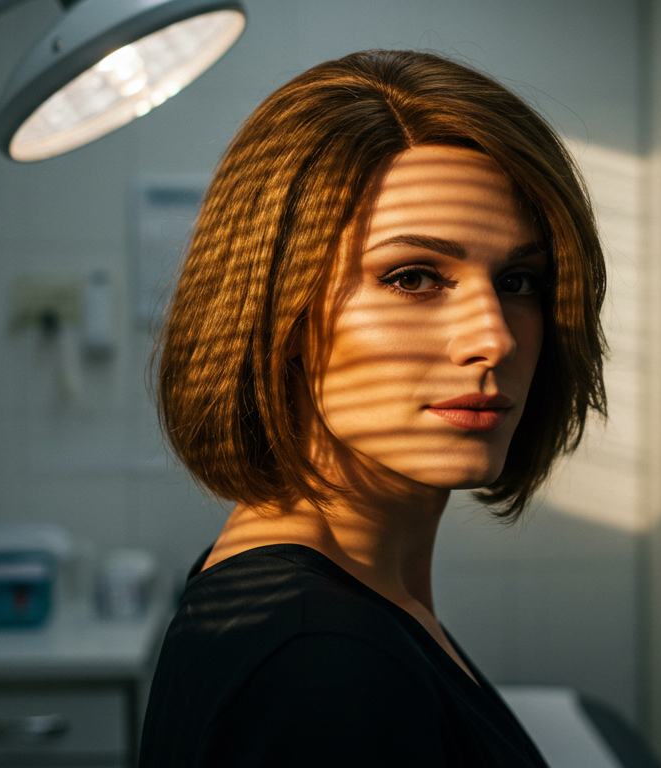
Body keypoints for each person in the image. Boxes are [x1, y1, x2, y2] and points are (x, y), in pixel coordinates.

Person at [139, 49, 607, 767]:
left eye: (518, 280)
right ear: (280, 311)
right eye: (414, 277)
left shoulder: (329, 596)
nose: (494, 337)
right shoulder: (321, 668)